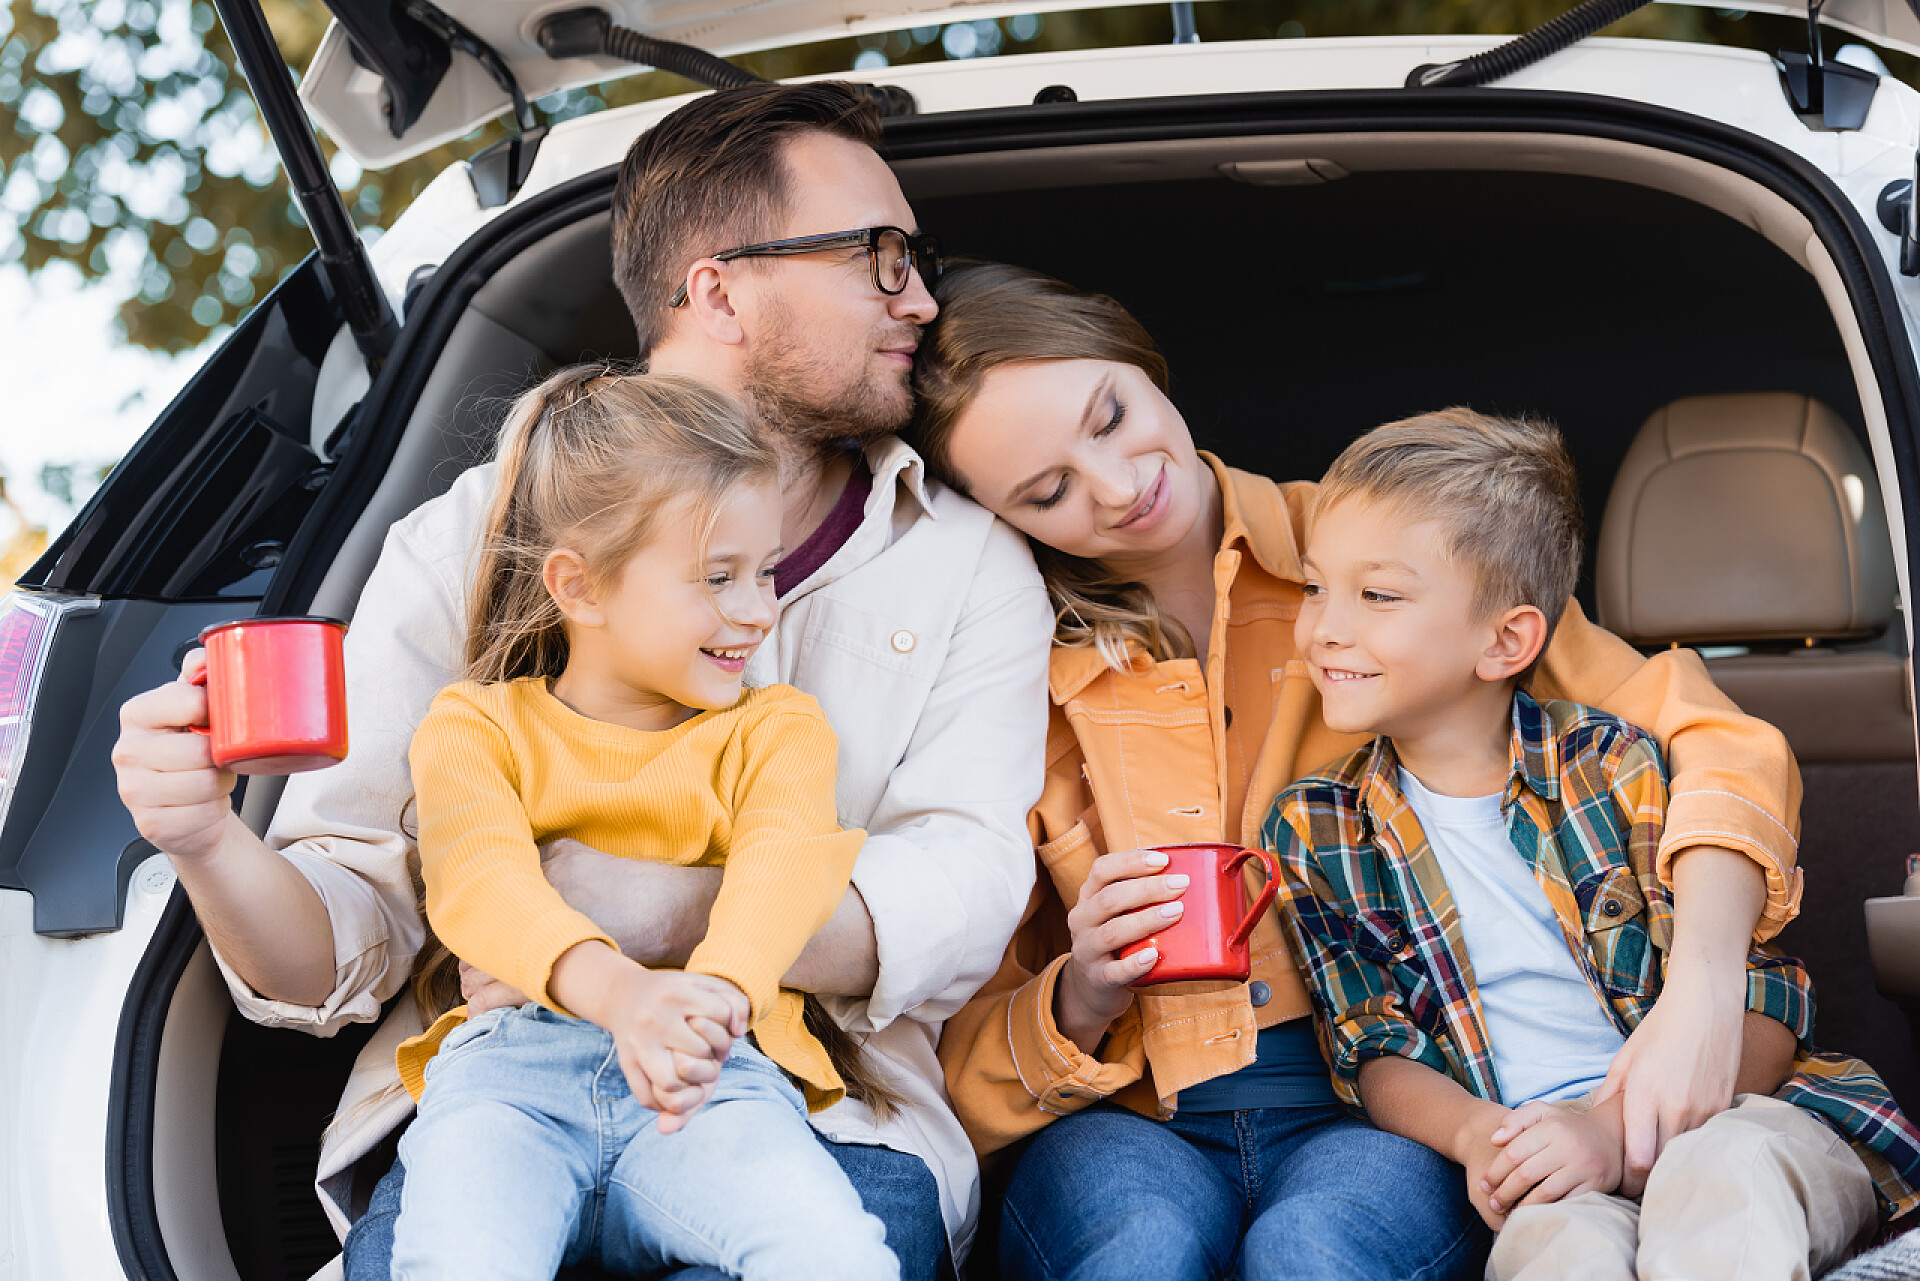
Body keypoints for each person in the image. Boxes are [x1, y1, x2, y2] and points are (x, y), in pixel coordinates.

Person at [110, 84, 1053, 1280]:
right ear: (718, 289)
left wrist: (636, 911)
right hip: (499, 1102)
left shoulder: (966, 563)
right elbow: (348, 933)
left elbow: (965, 893)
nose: (921, 296)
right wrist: (201, 842)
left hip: (825, 1114)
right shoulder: (470, 538)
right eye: (877, 257)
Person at [913, 264, 1806, 1281]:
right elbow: (939, 1027)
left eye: (1110, 416)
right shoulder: (1002, 667)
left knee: (1319, 1251)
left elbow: (1718, 743)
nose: (1116, 486)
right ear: (999, 519)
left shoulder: (1389, 551)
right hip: (1127, 1111)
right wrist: (1076, 993)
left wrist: (1701, 994)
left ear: (1137, 357)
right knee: (1139, 1249)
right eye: (1048, 491)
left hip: (1377, 1104)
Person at [1267, 408, 1920, 1280]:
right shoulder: (1317, 826)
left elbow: (1761, 1000)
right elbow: (1372, 1042)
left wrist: (1615, 1131)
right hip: (1548, 1163)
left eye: (1376, 594)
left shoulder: (1616, 766)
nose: (1325, 628)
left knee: (1712, 1176)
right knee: (1551, 1249)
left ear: (1507, 640)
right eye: (1315, 587)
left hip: (1747, 1113)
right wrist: (1483, 1138)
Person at [390, 367, 898, 1281]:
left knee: (835, 1257)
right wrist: (623, 997)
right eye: (717, 577)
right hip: (512, 1082)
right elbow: (478, 881)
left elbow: (782, 868)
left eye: (766, 571)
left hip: (712, 1074)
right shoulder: (476, 725)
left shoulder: (778, 727)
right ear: (580, 588)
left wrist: (715, 997)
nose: (756, 608)